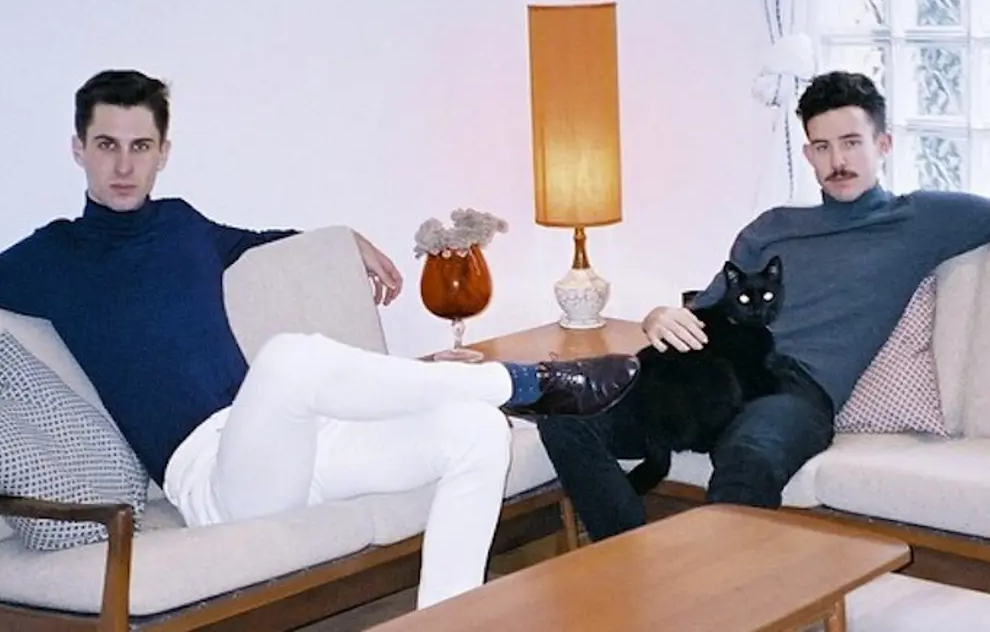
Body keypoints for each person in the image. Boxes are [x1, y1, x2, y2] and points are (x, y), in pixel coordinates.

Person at [0, 69, 640, 607]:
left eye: (140, 146)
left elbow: (261, 242)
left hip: (291, 442)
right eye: (106, 144)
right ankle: (524, 383)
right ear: (78, 148)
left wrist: (344, 241)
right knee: (287, 359)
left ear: (163, 152)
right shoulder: (51, 257)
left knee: (476, 433)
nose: (123, 164)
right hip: (212, 479)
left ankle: (444, 618)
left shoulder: (181, 224)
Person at [537, 70, 990, 542]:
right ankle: (626, 562)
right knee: (566, 419)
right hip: (712, 374)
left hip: (793, 393)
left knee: (748, 457)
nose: (837, 161)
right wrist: (658, 316)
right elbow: (707, 308)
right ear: (808, 155)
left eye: (852, 143)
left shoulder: (919, 220)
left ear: (884, 145)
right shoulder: (771, 227)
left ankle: (717, 587)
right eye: (822, 147)